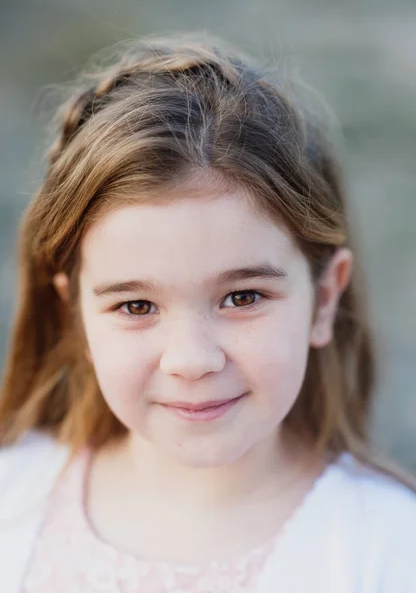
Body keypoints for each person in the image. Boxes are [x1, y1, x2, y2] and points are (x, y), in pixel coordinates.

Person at [0, 31, 415, 593]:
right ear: (76, 315)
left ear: (324, 299)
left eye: (243, 297)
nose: (192, 360)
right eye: (136, 305)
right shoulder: (14, 496)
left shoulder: (389, 550)